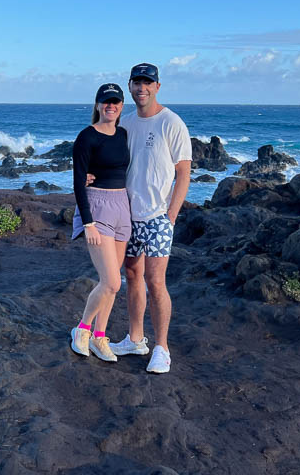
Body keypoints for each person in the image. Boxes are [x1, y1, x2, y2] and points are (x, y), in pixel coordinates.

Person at [109, 63, 192, 374]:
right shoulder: (125, 123)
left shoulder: (172, 123)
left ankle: (162, 348)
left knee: (155, 281)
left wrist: (171, 215)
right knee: (131, 276)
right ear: (129, 86)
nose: (141, 88)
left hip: (158, 217)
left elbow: (183, 173)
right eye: (137, 82)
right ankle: (135, 338)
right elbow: (114, 164)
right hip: (127, 216)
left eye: (148, 82)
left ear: (157, 86)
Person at [69, 83, 132, 362]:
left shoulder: (123, 134)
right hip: (97, 207)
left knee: (110, 283)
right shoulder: (86, 137)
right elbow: (78, 183)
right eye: (106, 101)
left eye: (116, 102)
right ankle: (82, 329)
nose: (111, 106)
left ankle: (99, 336)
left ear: (121, 106)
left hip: (123, 207)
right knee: (112, 282)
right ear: (97, 105)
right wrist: (88, 222)